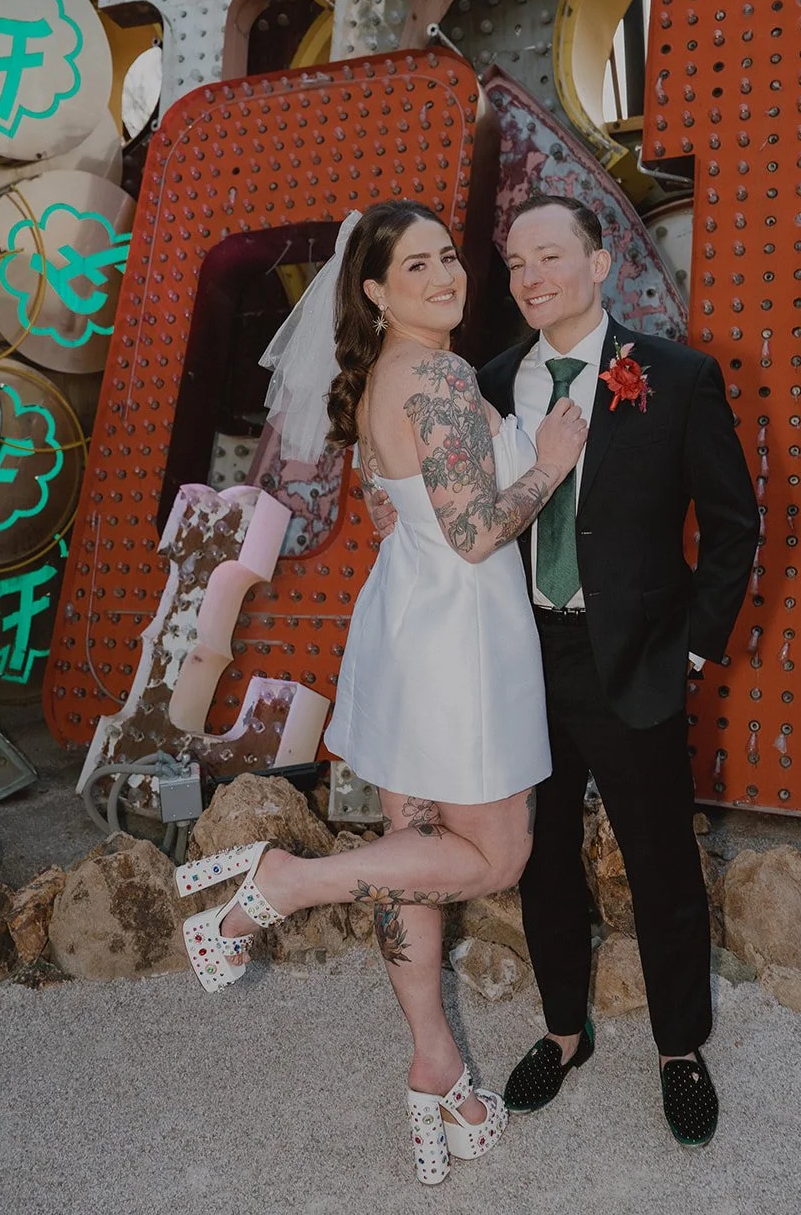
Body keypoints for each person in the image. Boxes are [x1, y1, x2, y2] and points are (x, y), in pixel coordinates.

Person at [175, 200, 587, 1186]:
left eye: (448, 257)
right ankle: (281, 881)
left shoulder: (376, 379)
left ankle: (435, 1068)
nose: (446, 277)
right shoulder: (439, 377)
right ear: (373, 290)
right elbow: (475, 533)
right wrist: (548, 464)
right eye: (416, 267)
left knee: (411, 856)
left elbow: (381, 508)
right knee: (494, 857)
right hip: (462, 640)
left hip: (406, 624)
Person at [480, 193, 760, 1149]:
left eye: (549, 256)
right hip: (522, 656)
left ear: (599, 264)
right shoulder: (490, 382)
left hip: (635, 658)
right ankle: (563, 1031)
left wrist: (692, 647)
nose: (530, 278)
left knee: (660, 862)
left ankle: (679, 1048)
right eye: (515, 264)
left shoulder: (675, 376)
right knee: (542, 856)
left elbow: (732, 525)